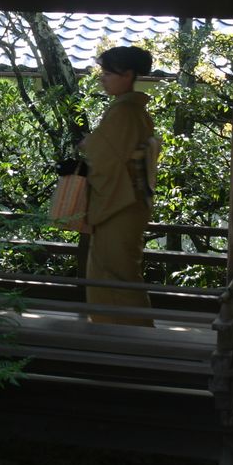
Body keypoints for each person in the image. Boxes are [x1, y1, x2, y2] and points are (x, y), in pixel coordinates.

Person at [80, 46, 158, 326]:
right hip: (127, 199)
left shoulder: (125, 112)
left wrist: (84, 148)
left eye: (108, 73)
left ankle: (129, 337)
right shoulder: (129, 109)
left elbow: (100, 155)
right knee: (115, 270)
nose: (103, 78)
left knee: (116, 272)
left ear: (128, 75)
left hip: (121, 202)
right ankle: (122, 332)